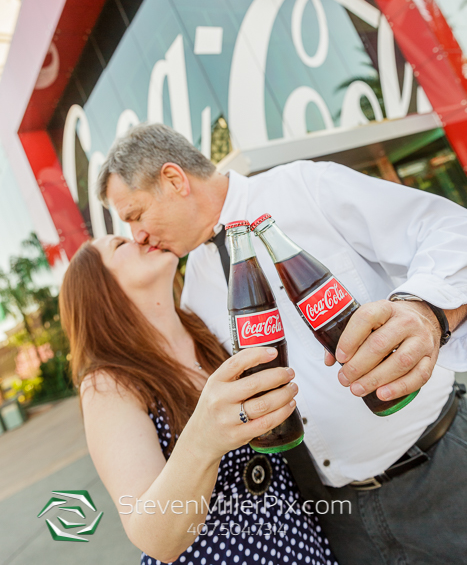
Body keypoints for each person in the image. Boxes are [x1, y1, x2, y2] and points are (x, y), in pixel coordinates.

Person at [97, 123, 467, 565]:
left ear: (174, 180)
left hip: (440, 468)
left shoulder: (304, 187)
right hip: (337, 520)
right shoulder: (193, 288)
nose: (137, 234)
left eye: (135, 214)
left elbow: (451, 230)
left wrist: (424, 312)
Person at [59, 234, 339, 565]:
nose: (139, 237)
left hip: (298, 542)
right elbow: (155, 538)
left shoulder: (208, 330)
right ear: (97, 290)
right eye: (120, 245)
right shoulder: (108, 383)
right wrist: (203, 440)